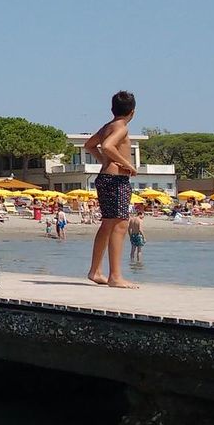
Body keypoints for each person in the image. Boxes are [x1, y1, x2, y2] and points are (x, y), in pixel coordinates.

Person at [86, 90, 140, 288]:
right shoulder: (122, 128)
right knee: (120, 224)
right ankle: (115, 276)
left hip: (105, 178)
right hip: (116, 180)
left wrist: (104, 162)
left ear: (112, 109)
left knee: (108, 224)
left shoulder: (107, 126)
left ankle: (95, 271)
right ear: (132, 112)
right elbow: (108, 146)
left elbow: (90, 145)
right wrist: (128, 164)